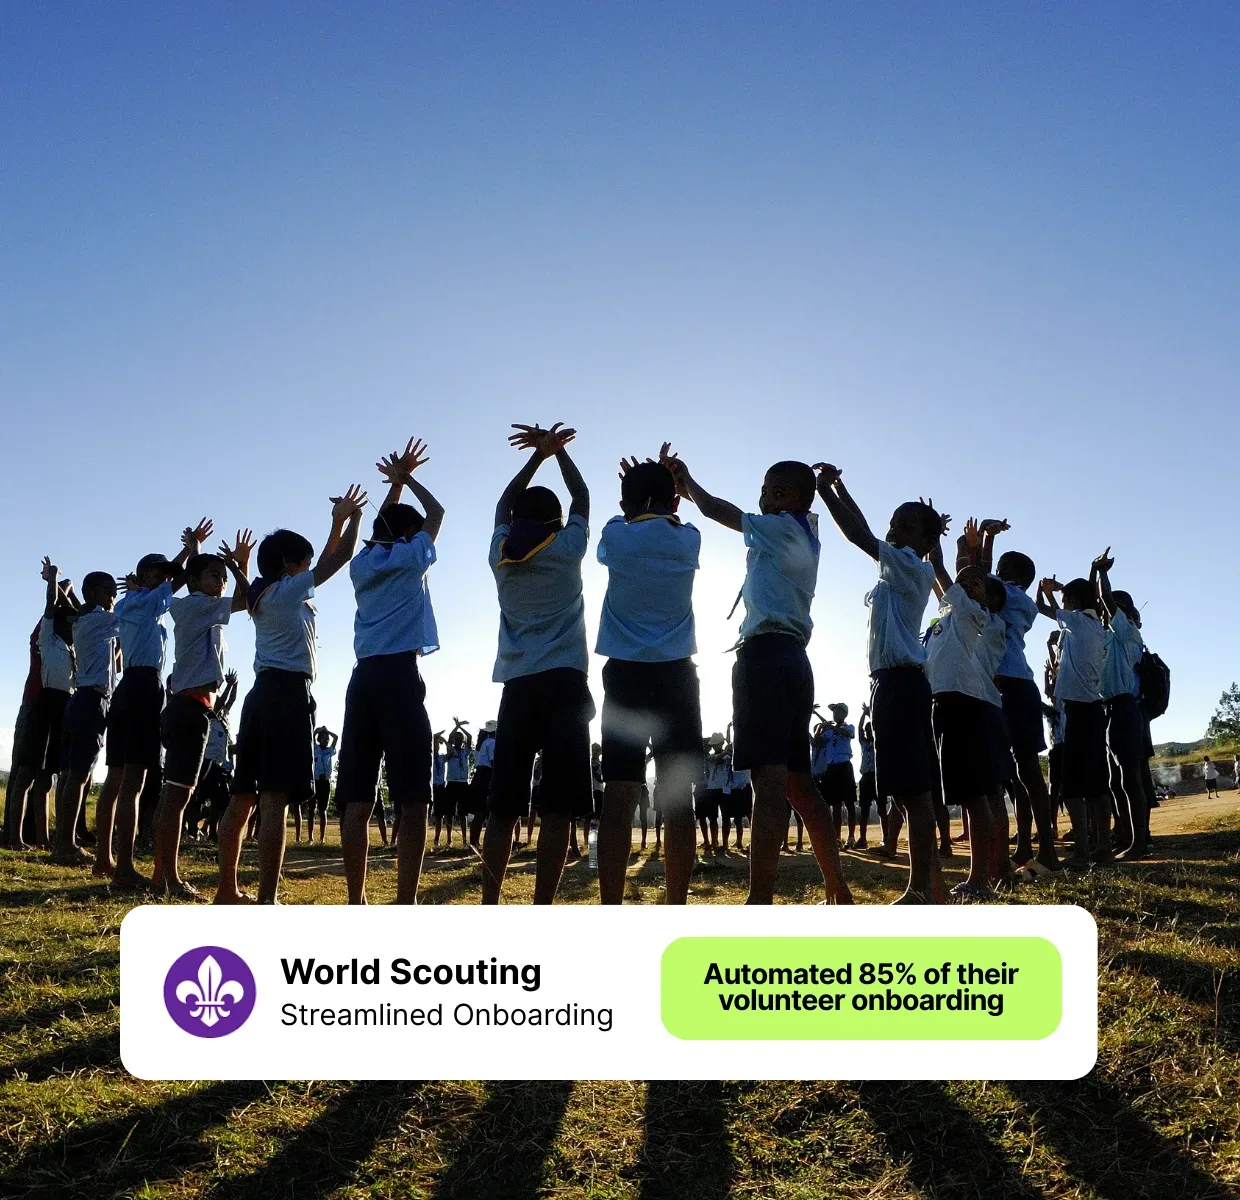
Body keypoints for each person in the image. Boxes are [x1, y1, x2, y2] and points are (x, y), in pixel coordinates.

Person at [664, 450, 851, 905]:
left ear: (792, 498)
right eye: (764, 490)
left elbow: (717, 511)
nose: (763, 498)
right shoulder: (805, 533)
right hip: (793, 659)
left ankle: (760, 900)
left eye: (773, 491)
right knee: (798, 784)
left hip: (764, 658)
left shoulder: (780, 527)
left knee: (766, 782)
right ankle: (837, 888)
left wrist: (688, 483)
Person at [215, 483, 367, 904]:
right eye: (303, 562)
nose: (309, 568)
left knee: (243, 797)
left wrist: (243, 566)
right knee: (275, 800)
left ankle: (227, 890)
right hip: (287, 695)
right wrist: (351, 519)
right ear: (288, 565)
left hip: (260, 695)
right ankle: (267, 898)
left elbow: (319, 560)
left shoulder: (262, 594)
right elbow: (339, 558)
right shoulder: (287, 591)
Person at [815, 463, 951, 904]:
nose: (894, 530)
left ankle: (921, 889)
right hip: (891, 684)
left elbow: (860, 535)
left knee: (913, 792)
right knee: (910, 793)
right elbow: (868, 531)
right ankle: (932, 887)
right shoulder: (898, 567)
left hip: (901, 684)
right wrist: (842, 487)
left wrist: (825, 491)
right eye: (894, 523)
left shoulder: (911, 566)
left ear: (927, 543)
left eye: (905, 526)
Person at [480, 422, 594, 904]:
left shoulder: (500, 556)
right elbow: (581, 497)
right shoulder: (567, 549)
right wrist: (559, 453)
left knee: (503, 808)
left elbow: (503, 504)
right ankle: (541, 907)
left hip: (519, 687)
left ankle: (489, 903)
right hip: (565, 684)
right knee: (558, 808)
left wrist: (537, 457)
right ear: (556, 521)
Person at [336, 439, 443, 906]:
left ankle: (356, 899)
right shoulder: (412, 556)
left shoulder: (361, 564)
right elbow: (437, 513)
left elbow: (386, 527)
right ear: (410, 534)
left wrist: (394, 490)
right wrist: (407, 480)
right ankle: (405, 900)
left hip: (362, 679)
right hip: (400, 676)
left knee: (358, 797)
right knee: (413, 796)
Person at [592, 455, 703, 903]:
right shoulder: (690, 538)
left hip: (626, 675)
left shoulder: (616, 535)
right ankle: (676, 903)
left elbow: (624, 523)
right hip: (677, 676)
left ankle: (611, 906)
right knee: (678, 799)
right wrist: (661, 489)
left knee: (619, 795)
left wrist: (637, 496)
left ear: (626, 504)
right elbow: (666, 512)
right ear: (674, 501)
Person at [93, 518, 213, 887]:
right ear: (144, 576)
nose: (165, 581)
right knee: (134, 781)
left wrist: (187, 552)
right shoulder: (145, 602)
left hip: (128, 688)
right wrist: (190, 552)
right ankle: (124, 868)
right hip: (143, 687)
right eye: (158, 575)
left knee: (116, 777)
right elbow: (178, 582)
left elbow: (173, 582)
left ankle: (104, 859)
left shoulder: (135, 603)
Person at [151, 532, 253, 897]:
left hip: (192, 706)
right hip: (190, 707)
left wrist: (201, 553)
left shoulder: (198, 606)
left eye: (223, 577)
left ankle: (160, 876)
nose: (221, 582)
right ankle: (171, 880)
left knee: (173, 796)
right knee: (177, 799)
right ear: (194, 582)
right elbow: (247, 599)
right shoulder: (197, 605)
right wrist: (241, 566)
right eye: (214, 576)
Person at [981, 522, 1061, 873]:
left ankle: (1046, 853)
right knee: (1020, 775)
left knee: (1023, 773)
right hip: (1018, 685)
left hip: (1008, 687)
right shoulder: (1024, 602)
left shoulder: (1004, 593)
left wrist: (986, 541)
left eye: (1000, 568)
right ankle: (1028, 847)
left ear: (1007, 574)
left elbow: (978, 578)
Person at [1036, 555, 1111, 868]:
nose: (1064, 604)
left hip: (1079, 711)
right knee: (1097, 784)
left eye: (1067, 600)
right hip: (1093, 708)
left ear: (1075, 603)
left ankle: (1081, 852)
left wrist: (1045, 590)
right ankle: (1102, 847)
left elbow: (1042, 608)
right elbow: (1077, 600)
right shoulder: (1097, 627)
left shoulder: (1077, 622)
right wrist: (1065, 587)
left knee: (1074, 787)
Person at [5, 563, 79, 850]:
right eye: (69, 623)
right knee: (26, 774)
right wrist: (55, 580)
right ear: (60, 623)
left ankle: (43, 839)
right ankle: (15, 838)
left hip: (64, 707)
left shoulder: (71, 649)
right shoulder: (47, 637)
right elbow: (51, 605)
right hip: (44, 704)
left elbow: (81, 613)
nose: (73, 627)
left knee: (47, 778)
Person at [50, 570, 120, 866]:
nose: (113, 599)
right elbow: (133, 617)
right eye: (108, 594)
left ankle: (63, 841)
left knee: (73, 774)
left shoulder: (85, 620)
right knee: (79, 776)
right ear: (92, 595)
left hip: (81, 699)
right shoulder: (100, 620)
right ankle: (66, 844)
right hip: (93, 699)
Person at [1095, 557, 1152, 860]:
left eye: (1112, 609)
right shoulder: (1110, 636)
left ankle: (1139, 842)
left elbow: (1104, 599)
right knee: (1115, 781)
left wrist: (1101, 573)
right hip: (1109, 710)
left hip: (1124, 708)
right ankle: (1128, 837)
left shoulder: (1127, 632)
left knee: (1130, 778)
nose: (1106, 612)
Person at [193, 671, 239, 844]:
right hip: (206, 764)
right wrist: (228, 685)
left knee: (220, 800)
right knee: (199, 800)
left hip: (219, 766)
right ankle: (191, 830)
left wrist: (235, 684)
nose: (222, 705)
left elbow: (231, 700)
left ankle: (213, 833)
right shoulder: (210, 716)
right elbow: (222, 703)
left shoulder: (223, 720)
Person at [815, 703, 858, 848]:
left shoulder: (849, 727)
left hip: (844, 767)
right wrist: (821, 727)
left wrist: (831, 727)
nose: (834, 714)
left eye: (837, 711)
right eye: (833, 712)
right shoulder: (828, 731)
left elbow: (848, 734)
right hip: (831, 768)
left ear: (844, 713)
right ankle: (837, 837)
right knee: (835, 805)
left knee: (850, 803)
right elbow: (816, 742)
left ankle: (851, 837)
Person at [855, 704, 881, 850]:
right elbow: (859, 729)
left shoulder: (878, 741)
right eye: (867, 730)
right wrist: (864, 714)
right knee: (864, 810)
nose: (868, 732)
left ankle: (886, 837)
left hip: (877, 776)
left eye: (870, 729)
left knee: (882, 808)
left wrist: (870, 714)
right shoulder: (864, 743)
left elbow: (879, 726)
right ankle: (862, 838)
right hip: (865, 777)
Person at [469, 721, 496, 848]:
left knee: (479, 812)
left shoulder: (481, 744)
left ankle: (474, 842)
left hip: (478, 776)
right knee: (482, 812)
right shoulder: (492, 743)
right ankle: (475, 843)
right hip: (485, 776)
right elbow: (493, 762)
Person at [312, 727, 338, 845]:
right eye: (324, 738)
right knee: (312, 809)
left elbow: (336, 737)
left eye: (327, 739)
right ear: (319, 739)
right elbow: (311, 737)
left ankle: (322, 838)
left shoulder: (330, 751)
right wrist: (317, 731)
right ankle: (310, 837)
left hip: (325, 782)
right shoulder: (315, 748)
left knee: (323, 810)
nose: (326, 741)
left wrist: (328, 732)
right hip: (315, 781)